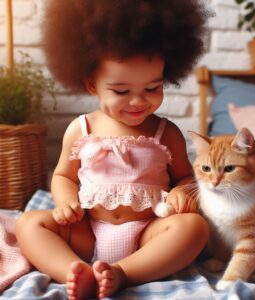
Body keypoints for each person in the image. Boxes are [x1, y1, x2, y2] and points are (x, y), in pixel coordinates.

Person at [16, 1, 211, 299]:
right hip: (87, 231)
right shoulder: (82, 129)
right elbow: (62, 177)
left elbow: (185, 178)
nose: (138, 102)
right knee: (28, 223)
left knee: (194, 227)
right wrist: (66, 202)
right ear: (92, 84)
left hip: (148, 234)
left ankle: (123, 273)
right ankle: (74, 270)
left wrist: (183, 192)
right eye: (121, 91)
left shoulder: (165, 132)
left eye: (152, 88)